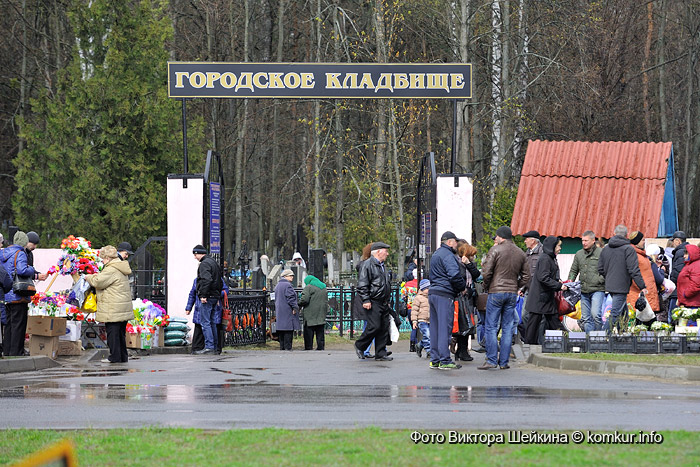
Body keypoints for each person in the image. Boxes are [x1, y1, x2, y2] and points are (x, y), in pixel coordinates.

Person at [479, 226, 530, 370]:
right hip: (511, 293)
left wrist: (487, 285)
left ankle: (491, 360)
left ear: (501, 237)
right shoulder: (520, 252)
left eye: (496, 237)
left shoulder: (495, 250)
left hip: (496, 292)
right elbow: (527, 275)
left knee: (491, 326)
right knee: (508, 328)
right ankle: (503, 362)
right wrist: (516, 286)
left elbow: (487, 272)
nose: (495, 239)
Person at [85, 246, 135, 363]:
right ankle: (122, 357)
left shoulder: (111, 269)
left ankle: (114, 357)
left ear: (107, 258)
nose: (102, 261)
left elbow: (98, 282)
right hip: (121, 306)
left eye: (102, 258)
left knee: (113, 333)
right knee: (120, 333)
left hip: (113, 307)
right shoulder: (120, 266)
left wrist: (89, 277)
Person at [598, 225, 647, 333]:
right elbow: (633, 270)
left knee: (623, 312)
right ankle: (602, 336)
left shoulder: (606, 248)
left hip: (610, 285)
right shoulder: (628, 249)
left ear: (614, 234)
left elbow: (600, 268)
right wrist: (642, 286)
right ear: (626, 235)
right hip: (621, 286)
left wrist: (609, 276)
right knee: (615, 313)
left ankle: (622, 334)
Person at [427, 232, 466, 370]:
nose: (457, 244)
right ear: (449, 242)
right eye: (455, 242)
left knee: (435, 328)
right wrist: (462, 287)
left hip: (433, 293)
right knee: (445, 328)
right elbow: (454, 274)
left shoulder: (436, 254)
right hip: (444, 294)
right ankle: (445, 360)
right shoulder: (449, 255)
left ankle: (435, 359)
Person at [1, 232, 39, 356]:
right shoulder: (20, 253)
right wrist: (31, 269)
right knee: (19, 325)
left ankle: (7, 352)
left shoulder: (2, 253)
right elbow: (22, 270)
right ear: (23, 242)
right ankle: (17, 352)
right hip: (18, 294)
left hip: (5, 294)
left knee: (8, 326)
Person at [524, 236, 568, 344]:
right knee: (534, 324)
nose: (559, 248)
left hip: (545, 298)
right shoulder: (545, 259)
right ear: (552, 246)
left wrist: (558, 282)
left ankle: (563, 341)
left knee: (552, 321)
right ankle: (530, 346)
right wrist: (558, 286)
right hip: (540, 298)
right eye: (558, 246)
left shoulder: (549, 258)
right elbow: (543, 277)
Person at [354, 242, 393, 361]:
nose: (387, 253)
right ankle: (360, 345)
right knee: (374, 326)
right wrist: (366, 300)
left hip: (383, 301)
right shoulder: (367, 265)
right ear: (378, 252)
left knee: (383, 327)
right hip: (374, 300)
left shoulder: (381, 265)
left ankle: (380, 353)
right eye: (385, 251)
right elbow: (362, 284)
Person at [568, 230, 606, 332]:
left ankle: (598, 338)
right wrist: (570, 282)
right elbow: (574, 270)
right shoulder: (579, 254)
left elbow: (607, 269)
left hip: (598, 289)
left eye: (586, 240)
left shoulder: (601, 253)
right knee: (586, 318)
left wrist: (600, 280)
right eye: (582, 240)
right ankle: (589, 340)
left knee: (596, 315)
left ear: (593, 240)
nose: (584, 243)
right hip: (584, 290)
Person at [192, 244, 223, 354]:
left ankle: (209, 346)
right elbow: (219, 280)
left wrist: (203, 295)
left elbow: (206, 280)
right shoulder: (213, 262)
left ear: (199, 253)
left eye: (195, 255)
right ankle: (214, 347)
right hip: (215, 296)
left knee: (205, 322)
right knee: (213, 322)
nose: (195, 257)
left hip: (208, 296)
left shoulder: (204, 264)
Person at [186, 277, 229, 354]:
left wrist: (215, 294)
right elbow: (192, 294)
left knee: (211, 326)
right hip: (200, 311)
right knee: (202, 329)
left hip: (212, 310)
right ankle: (206, 348)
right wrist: (188, 307)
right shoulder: (197, 280)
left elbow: (225, 291)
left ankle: (213, 348)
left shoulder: (218, 280)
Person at [626, 231, 660, 322]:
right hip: (639, 293)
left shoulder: (642, 254)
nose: (644, 242)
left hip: (646, 292)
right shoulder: (634, 255)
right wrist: (641, 287)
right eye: (642, 240)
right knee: (640, 321)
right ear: (637, 241)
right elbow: (633, 272)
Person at [454, 239, 479, 362]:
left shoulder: (470, 264)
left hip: (468, 297)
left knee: (468, 325)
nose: (472, 257)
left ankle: (462, 350)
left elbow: (477, 276)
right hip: (460, 297)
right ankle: (460, 350)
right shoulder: (456, 263)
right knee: (461, 324)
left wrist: (469, 264)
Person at [517, 230, 542, 338]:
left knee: (537, 316)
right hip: (528, 290)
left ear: (533, 240)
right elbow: (524, 273)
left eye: (527, 239)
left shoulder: (542, 252)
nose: (525, 241)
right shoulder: (526, 253)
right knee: (524, 315)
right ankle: (529, 337)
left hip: (538, 291)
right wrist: (522, 288)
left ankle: (535, 339)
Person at [352, 243, 375, 357]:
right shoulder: (366, 266)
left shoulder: (363, 265)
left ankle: (374, 349)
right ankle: (364, 348)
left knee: (373, 325)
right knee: (371, 325)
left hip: (366, 299)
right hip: (366, 299)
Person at [298, 274, 328, 351]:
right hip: (321, 313)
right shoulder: (323, 287)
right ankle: (320, 347)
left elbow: (305, 299)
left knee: (309, 332)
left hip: (310, 314)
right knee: (320, 332)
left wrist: (298, 303)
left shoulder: (308, 287)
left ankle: (308, 347)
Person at [274, 269, 300, 350]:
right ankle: (287, 348)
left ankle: (282, 348)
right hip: (287, 311)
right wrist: (295, 307)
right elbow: (291, 298)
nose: (292, 277)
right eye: (290, 275)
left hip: (280, 311)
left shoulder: (278, 285)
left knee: (281, 331)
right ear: (285, 276)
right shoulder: (288, 285)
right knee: (288, 331)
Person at [668, 230, 689, 321]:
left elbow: (678, 270)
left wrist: (671, 280)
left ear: (678, 241)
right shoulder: (685, 250)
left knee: (673, 316)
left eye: (673, 241)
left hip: (678, 289)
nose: (672, 243)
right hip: (683, 288)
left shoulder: (680, 252)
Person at [411, 279, 431, 358]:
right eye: (427, 288)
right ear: (422, 289)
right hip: (422, 320)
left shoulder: (430, 297)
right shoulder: (418, 298)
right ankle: (429, 350)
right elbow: (414, 310)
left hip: (430, 320)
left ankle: (419, 345)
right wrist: (414, 321)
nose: (429, 290)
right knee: (427, 335)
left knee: (429, 336)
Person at [677, 244, 700, 310]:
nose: (684, 256)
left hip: (693, 303)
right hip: (689, 302)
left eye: (686, 253)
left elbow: (696, 284)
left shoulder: (696, 266)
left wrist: (686, 294)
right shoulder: (690, 265)